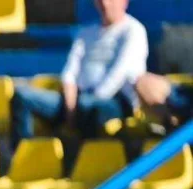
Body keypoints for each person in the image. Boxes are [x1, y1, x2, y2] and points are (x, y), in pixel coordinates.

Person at [10, 0, 147, 147]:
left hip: (115, 102)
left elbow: (119, 73)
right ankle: (24, 155)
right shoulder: (86, 33)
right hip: (75, 101)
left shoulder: (134, 30)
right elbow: (70, 71)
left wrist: (85, 102)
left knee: (89, 108)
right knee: (22, 97)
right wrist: (71, 101)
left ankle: (79, 157)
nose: (106, 4)